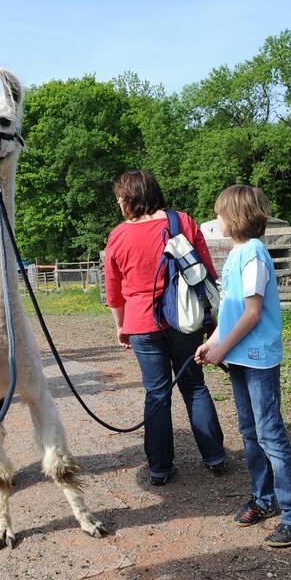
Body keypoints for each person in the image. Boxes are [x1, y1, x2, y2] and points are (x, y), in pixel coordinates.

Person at [195, 185, 291, 547]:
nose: (217, 220)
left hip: (258, 359)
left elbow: (252, 313)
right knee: (249, 432)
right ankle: (265, 498)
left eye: (220, 214)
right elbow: (230, 313)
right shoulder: (236, 255)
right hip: (238, 357)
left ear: (236, 216)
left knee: (270, 434)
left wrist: (222, 348)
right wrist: (212, 343)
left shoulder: (256, 254)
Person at [104, 170, 227, 485]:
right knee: (194, 386)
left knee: (156, 393)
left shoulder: (118, 236)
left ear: (130, 198)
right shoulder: (183, 222)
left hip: (142, 323)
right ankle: (214, 456)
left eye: (120, 198)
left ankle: (159, 467)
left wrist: (121, 326)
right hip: (185, 318)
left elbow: (114, 289)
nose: (119, 204)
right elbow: (206, 272)